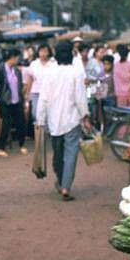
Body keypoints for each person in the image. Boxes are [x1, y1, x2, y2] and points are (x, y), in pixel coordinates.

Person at [36, 43, 92, 201]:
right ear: (72, 54)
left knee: (58, 154)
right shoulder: (76, 73)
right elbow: (80, 98)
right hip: (72, 119)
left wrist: (40, 119)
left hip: (54, 121)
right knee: (71, 155)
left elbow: (43, 98)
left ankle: (61, 182)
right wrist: (85, 116)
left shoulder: (49, 72)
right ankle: (66, 187)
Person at [0, 48, 27, 156]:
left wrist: (23, 99)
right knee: (5, 124)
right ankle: (1, 147)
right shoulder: (0, 69)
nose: (18, 60)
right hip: (5, 101)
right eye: (17, 58)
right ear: (12, 58)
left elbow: (20, 85)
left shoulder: (17, 70)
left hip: (17, 100)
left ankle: (22, 145)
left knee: (21, 123)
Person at [25, 43, 56, 126]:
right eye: (41, 51)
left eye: (45, 51)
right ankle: (41, 131)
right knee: (35, 114)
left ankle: (48, 131)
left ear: (49, 52)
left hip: (50, 92)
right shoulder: (34, 64)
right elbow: (30, 79)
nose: (43, 53)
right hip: (36, 92)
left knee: (49, 113)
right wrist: (27, 95)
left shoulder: (54, 63)